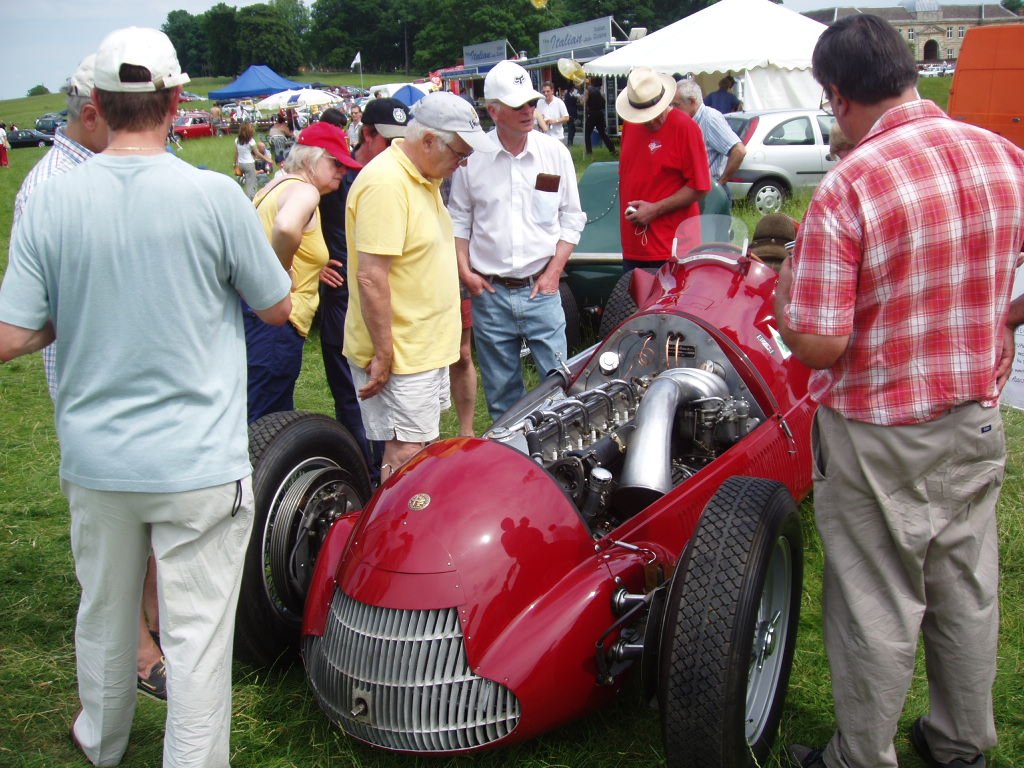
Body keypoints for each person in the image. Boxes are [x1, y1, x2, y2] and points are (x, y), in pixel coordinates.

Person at [0, 27, 292, 767]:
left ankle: (102, 740)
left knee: (104, 615)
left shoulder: (53, 203)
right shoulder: (216, 197)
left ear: (97, 102)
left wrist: (84, 312)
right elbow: (276, 308)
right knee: (196, 634)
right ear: (172, 102)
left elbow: (12, 334)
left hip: (99, 460)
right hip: (197, 459)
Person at [774, 14, 1024, 768]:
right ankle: (960, 744)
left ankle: (860, 758)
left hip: (879, 429)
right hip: (973, 418)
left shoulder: (849, 185)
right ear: (910, 72)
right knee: (966, 589)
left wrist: (785, 304)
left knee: (876, 603)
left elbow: (821, 342)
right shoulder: (1001, 154)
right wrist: (1005, 316)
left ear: (837, 93)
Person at [12, 51, 169, 704]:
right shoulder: (51, 188)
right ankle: (134, 650)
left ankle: (157, 626)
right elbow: (38, 313)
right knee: (115, 527)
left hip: (144, 375)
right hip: (97, 384)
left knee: (156, 510)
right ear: (92, 113)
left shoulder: (112, 171)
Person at [344, 92, 496, 480]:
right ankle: (396, 535)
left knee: (419, 449)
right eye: (459, 154)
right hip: (402, 354)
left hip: (421, 350)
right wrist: (383, 352)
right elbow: (371, 276)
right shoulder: (386, 184)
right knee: (406, 454)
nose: (462, 166)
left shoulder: (424, 177)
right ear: (428, 140)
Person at [449, 60, 586, 421]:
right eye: (518, 105)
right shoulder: (472, 159)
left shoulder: (554, 153)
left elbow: (572, 218)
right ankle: (513, 463)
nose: (529, 111)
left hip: (542, 287)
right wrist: (465, 271)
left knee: (559, 387)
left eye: (532, 102)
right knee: (502, 396)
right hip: (489, 293)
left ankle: (563, 462)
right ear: (493, 111)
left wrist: (554, 271)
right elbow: (459, 219)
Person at [245, 120, 361, 424]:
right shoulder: (306, 192)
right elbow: (284, 227)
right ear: (311, 158)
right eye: (335, 162)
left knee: (261, 411)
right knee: (267, 423)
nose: (342, 171)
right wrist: (281, 274)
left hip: (258, 318)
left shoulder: (276, 185)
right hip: (278, 324)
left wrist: (310, 266)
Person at [315, 103, 408, 479]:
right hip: (345, 297)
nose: (394, 149)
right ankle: (363, 475)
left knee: (392, 389)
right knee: (355, 394)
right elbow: (290, 212)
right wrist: (312, 266)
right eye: (387, 140)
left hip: (388, 300)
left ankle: (388, 469)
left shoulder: (402, 174)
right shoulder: (339, 175)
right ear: (367, 134)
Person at [616, 67, 711, 269]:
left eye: (656, 112)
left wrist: (655, 209)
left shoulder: (685, 127)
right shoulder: (630, 126)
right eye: (644, 115)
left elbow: (700, 186)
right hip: (635, 248)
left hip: (674, 249)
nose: (652, 120)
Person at [672, 78, 747, 191]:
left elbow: (739, 151)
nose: (673, 109)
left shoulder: (710, 119)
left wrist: (720, 184)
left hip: (711, 191)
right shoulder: (689, 121)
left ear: (692, 101)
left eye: (677, 105)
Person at [235, 121, 272, 199]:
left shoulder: (237, 140)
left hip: (240, 163)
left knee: (242, 182)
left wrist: (235, 163)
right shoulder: (251, 141)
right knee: (251, 184)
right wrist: (267, 159)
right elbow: (257, 153)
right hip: (249, 164)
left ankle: (241, 196)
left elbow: (237, 153)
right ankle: (250, 199)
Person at [583, 76, 616, 155]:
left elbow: (584, 101)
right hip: (599, 113)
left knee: (587, 133)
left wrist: (582, 99)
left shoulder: (588, 91)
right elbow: (603, 101)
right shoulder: (597, 90)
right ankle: (612, 149)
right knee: (602, 133)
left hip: (592, 113)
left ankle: (589, 152)